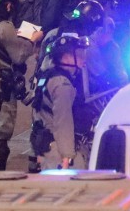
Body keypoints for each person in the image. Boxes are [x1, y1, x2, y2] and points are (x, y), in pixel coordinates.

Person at [0, 0, 35, 170]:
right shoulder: (4, 26)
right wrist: (32, 39)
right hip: (3, 83)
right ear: (8, 6)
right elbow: (18, 56)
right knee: (1, 133)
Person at [30, 33, 89, 171]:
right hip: (57, 150)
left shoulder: (47, 76)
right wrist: (67, 157)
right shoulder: (62, 85)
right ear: (66, 57)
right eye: (79, 54)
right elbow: (63, 122)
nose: (83, 58)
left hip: (44, 145)